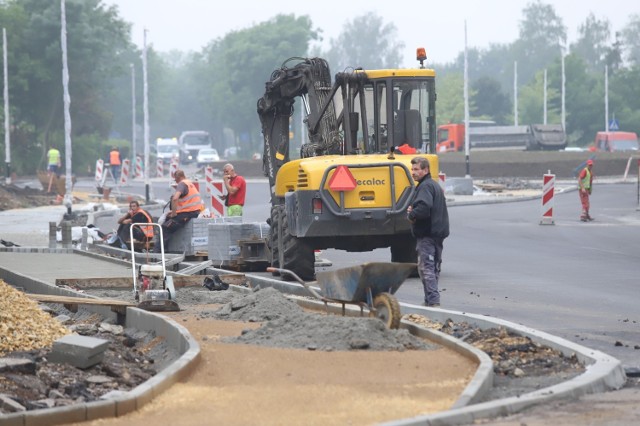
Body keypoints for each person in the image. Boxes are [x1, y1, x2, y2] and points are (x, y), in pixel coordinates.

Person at [407, 157, 450, 307]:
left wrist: (412, 215)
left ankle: (432, 301)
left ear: (426, 170)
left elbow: (424, 208)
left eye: (416, 169)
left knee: (426, 268)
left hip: (427, 234)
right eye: (412, 169)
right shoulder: (434, 185)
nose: (413, 172)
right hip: (438, 233)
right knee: (434, 267)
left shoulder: (425, 187)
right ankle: (430, 301)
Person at [154, 169, 203, 253]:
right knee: (167, 221)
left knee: (165, 227)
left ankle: (159, 252)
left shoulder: (182, 184)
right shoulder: (189, 183)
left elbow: (175, 198)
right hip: (193, 211)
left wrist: (173, 213)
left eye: (175, 179)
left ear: (178, 177)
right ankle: (162, 249)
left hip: (187, 213)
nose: (175, 181)